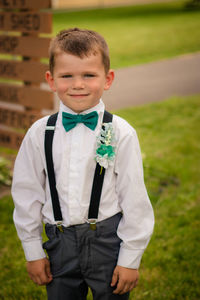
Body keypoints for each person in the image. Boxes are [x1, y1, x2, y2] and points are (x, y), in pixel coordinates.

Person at [12, 28, 154, 300]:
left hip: (107, 243)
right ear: (51, 80)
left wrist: (130, 258)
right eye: (67, 76)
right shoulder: (39, 133)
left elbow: (134, 197)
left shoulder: (121, 132)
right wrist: (33, 250)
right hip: (59, 243)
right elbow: (26, 192)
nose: (78, 84)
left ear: (108, 79)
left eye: (89, 75)